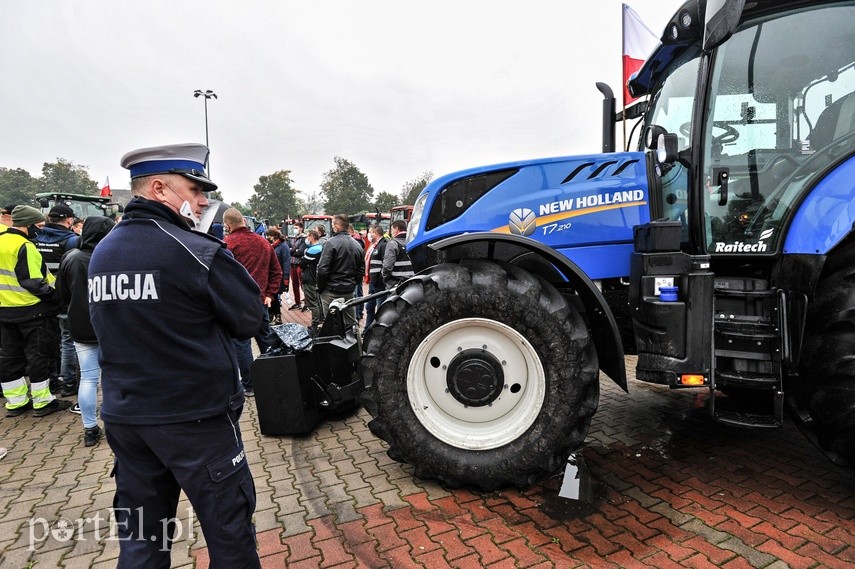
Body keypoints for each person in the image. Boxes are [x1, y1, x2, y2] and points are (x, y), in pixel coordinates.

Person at [88, 143, 262, 568]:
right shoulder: (195, 251)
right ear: (161, 188)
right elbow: (249, 318)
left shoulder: (102, 253)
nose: (204, 201)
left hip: (129, 421)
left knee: (143, 540)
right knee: (229, 536)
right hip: (195, 420)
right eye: (195, 188)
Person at [0, 206, 70, 418]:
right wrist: (55, 296)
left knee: (9, 356)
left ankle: (16, 402)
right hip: (33, 310)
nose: (40, 230)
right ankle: (42, 402)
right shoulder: (24, 246)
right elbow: (33, 282)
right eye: (38, 226)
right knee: (39, 356)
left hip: (4, 310)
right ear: (27, 225)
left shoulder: (1, 240)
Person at [57, 216, 115, 446]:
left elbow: (61, 295)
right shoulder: (113, 257)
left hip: (81, 326)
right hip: (111, 326)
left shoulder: (71, 258)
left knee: (89, 378)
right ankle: (117, 424)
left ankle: (90, 429)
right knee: (113, 377)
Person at [223, 207, 283, 396]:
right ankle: (273, 377)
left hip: (237, 305)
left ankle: (250, 385)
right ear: (245, 222)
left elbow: (220, 277)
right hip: (260, 302)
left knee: (241, 344)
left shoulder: (226, 245)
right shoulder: (264, 243)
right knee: (265, 340)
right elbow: (277, 271)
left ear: (227, 225)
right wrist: (270, 295)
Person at [34, 203, 80, 398]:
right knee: (68, 340)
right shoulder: (71, 241)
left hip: (38, 297)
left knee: (44, 342)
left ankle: (51, 380)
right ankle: (69, 382)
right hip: (64, 297)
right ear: (69, 220)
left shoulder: (34, 240)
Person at [316, 214, 364, 332]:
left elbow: (322, 269)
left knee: (331, 324)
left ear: (337, 227)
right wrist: (353, 283)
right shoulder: (357, 244)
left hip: (331, 290)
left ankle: (333, 348)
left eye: (333, 225)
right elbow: (361, 269)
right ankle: (354, 346)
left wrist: (321, 287)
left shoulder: (330, 243)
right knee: (351, 324)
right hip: (349, 290)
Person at [298, 230, 324, 334]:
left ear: (312, 237)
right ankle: (320, 321)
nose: (307, 239)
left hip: (309, 279)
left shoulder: (312, 250)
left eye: (308, 237)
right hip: (317, 278)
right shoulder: (322, 248)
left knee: (313, 304)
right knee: (318, 301)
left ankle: (315, 325)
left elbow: (302, 263)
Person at [265, 227, 291, 324]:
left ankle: (277, 316)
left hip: (279, 276)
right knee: (272, 296)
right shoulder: (271, 245)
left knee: (274, 295)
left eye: (269, 235)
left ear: (275, 236)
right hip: (270, 275)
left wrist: (286, 278)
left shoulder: (283, 247)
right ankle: (272, 314)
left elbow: (286, 262)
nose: (268, 237)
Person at [364, 224, 388, 328]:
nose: (369, 234)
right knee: (369, 306)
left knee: (380, 307)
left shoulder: (384, 245)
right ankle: (368, 328)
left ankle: (379, 329)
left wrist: (380, 280)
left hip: (379, 283)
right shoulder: (373, 245)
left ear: (376, 233)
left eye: (371, 232)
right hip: (372, 282)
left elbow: (385, 264)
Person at [382, 219, 415, 290]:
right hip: (413, 283)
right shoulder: (413, 241)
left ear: (396, 229)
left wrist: (386, 280)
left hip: (396, 284)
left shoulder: (392, 243)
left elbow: (387, 266)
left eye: (392, 229)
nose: (391, 232)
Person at [288, 222, 306, 310]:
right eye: (294, 227)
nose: (295, 229)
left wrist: (292, 250)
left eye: (296, 227)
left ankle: (307, 303)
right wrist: (294, 250)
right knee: (294, 285)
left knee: (303, 284)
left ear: (301, 229)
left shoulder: (304, 238)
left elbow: (301, 252)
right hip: (292, 264)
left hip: (300, 264)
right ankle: (297, 302)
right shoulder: (291, 238)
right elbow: (287, 249)